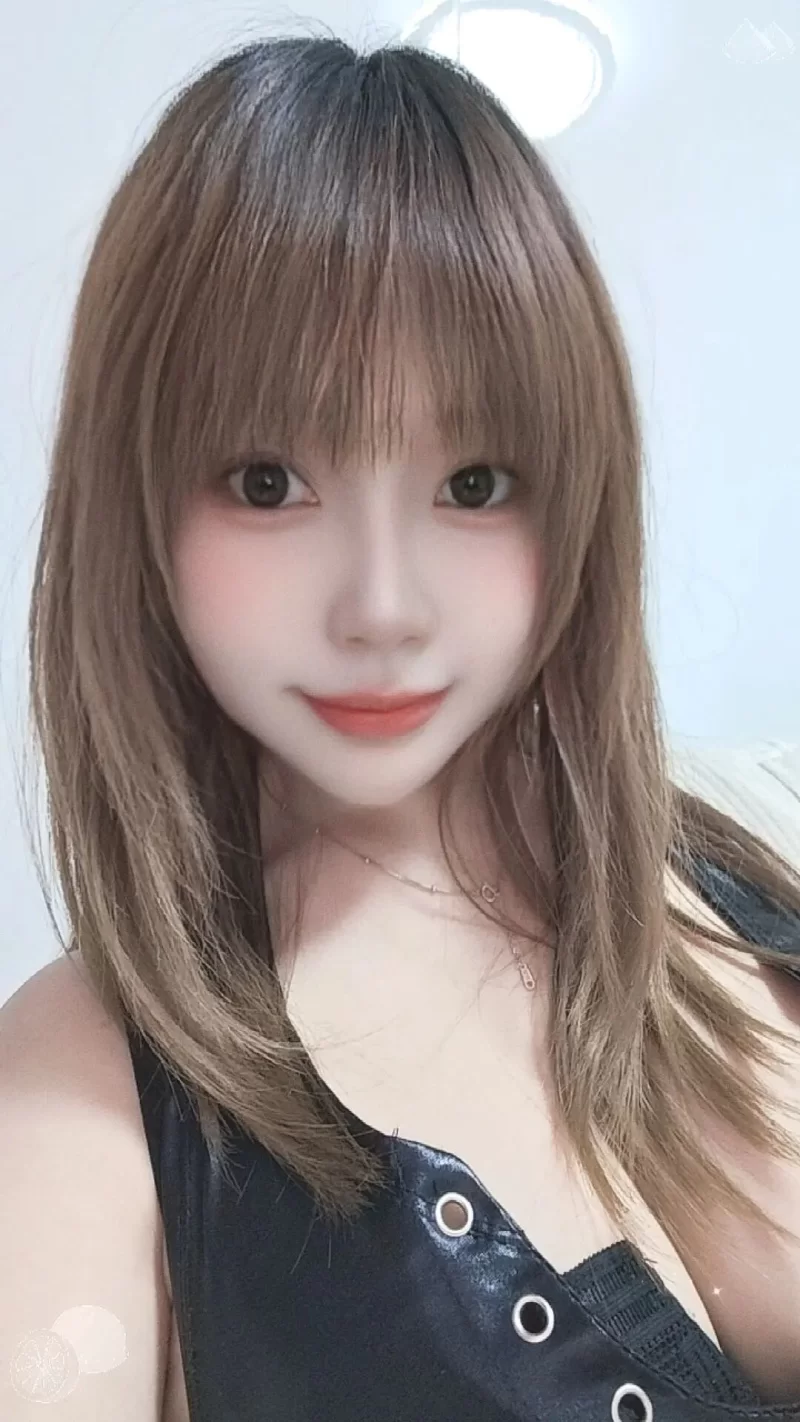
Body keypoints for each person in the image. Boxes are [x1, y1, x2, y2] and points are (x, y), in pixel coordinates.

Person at [2, 33, 799, 1422]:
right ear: (139, 505)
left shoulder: (718, 864)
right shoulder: (83, 1092)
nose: (382, 607)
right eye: (268, 480)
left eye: (472, 482)